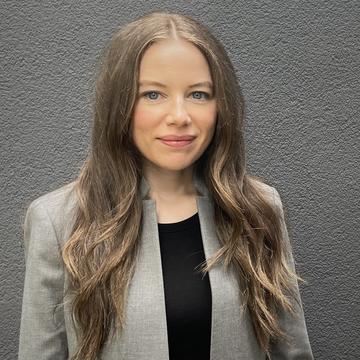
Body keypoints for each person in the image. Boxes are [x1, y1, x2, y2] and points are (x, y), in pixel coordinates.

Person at [18, 10, 314, 360]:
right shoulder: (57, 221)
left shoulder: (258, 209)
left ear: (222, 107)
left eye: (199, 94)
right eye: (153, 95)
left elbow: (291, 352)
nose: (179, 116)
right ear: (120, 105)